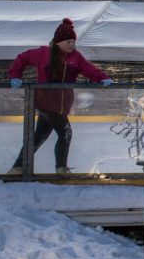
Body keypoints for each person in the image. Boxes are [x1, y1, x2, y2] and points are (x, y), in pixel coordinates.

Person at [8, 18, 112, 174]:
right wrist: (15, 75)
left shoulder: (76, 57)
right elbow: (22, 58)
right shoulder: (44, 53)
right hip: (46, 102)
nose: (72, 44)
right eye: (68, 41)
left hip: (62, 105)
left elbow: (89, 69)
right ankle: (61, 168)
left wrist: (102, 77)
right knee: (65, 133)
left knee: (39, 137)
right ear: (58, 42)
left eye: (73, 41)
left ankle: (18, 167)